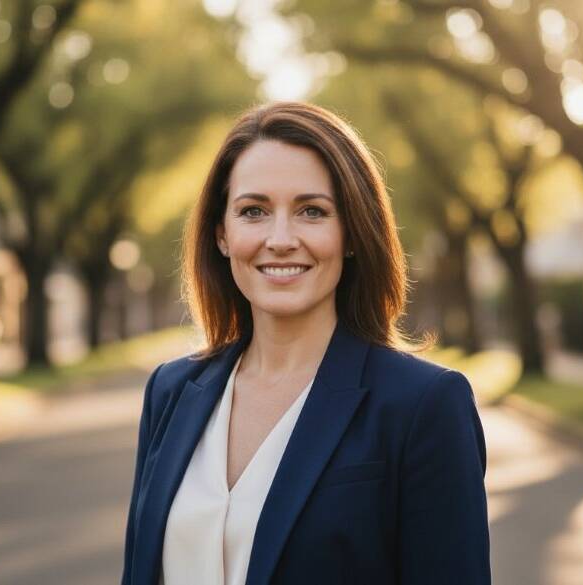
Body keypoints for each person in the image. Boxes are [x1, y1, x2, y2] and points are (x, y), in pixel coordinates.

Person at [120, 101, 490, 585]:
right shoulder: (170, 392)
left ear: (352, 233)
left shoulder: (423, 405)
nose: (280, 238)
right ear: (222, 235)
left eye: (311, 211)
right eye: (253, 211)